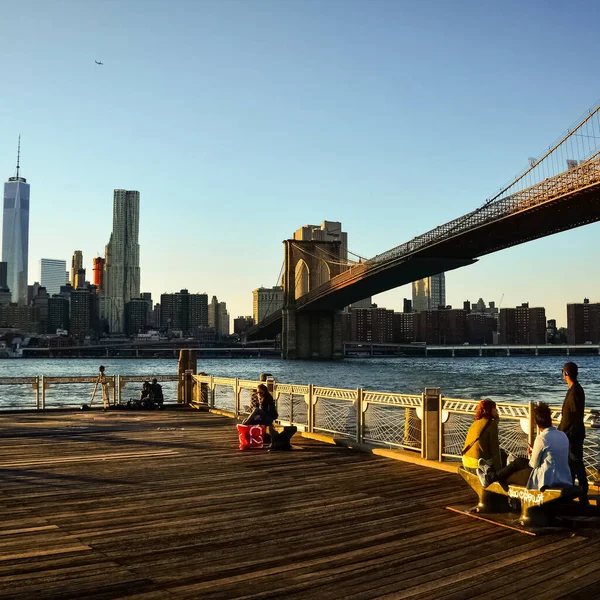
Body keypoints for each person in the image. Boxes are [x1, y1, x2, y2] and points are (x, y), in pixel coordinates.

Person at [477, 402, 572, 491]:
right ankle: (491, 476)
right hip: (564, 478)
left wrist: (533, 453)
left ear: (536, 423)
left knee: (510, 475)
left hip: (546, 480)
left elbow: (533, 465)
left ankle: (490, 478)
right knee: (519, 462)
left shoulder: (542, 438)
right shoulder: (562, 435)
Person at [558, 361, 589, 504]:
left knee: (576, 463)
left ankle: (583, 494)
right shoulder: (575, 389)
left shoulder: (575, 391)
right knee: (571, 464)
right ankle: (571, 493)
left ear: (565, 374)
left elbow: (573, 416)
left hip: (573, 435)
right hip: (571, 434)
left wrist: (562, 431)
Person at [462, 399, 502, 475]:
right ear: (488, 410)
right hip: (478, 467)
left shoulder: (476, 422)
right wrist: (499, 471)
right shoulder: (492, 424)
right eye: (494, 408)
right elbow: (495, 449)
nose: (496, 410)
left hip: (466, 463)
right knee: (502, 455)